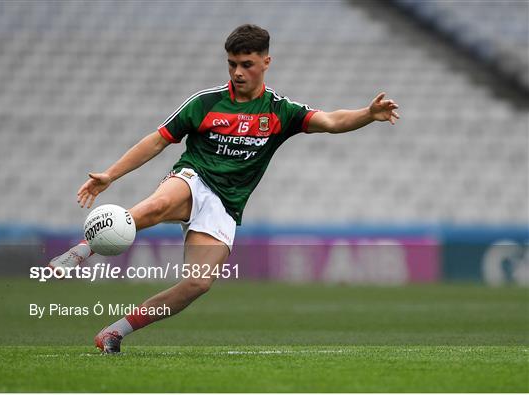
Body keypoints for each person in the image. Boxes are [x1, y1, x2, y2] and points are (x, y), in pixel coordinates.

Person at [48, 24, 399, 353]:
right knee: (156, 207)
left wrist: (367, 114)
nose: (237, 73)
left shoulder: (280, 111)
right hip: (193, 178)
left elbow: (331, 121)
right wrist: (110, 175)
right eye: (232, 64)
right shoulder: (206, 102)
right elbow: (158, 141)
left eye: (247, 64)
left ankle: (115, 332)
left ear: (266, 62)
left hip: (226, 204)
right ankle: (81, 250)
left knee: (197, 285)